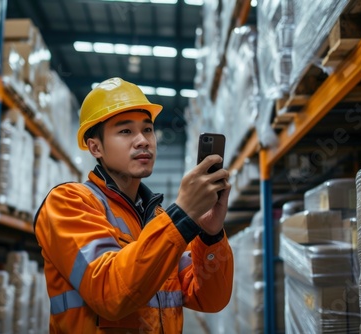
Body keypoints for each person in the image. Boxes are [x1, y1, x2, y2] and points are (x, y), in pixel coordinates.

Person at [34, 77, 234, 333]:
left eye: (148, 129)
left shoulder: (158, 219)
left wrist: (211, 233)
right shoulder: (68, 203)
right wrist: (181, 215)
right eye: (125, 131)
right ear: (95, 147)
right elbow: (110, 294)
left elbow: (210, 299)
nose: (143, 141)